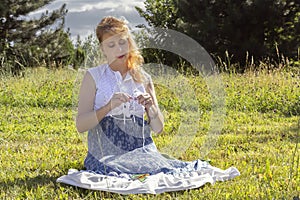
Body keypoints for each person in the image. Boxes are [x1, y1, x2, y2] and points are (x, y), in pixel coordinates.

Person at [72, 16, 239, 192]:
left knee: (161, 168)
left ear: (129, 42)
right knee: (115, 170)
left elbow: (158, 128)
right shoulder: (93, 76)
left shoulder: (143, 78)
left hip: (141, 150)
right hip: (105, 152)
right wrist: (108, 107)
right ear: (103, 49)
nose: (119, 49)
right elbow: (81, 125)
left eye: (122, 42)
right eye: (111, 45)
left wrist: (150, 108)